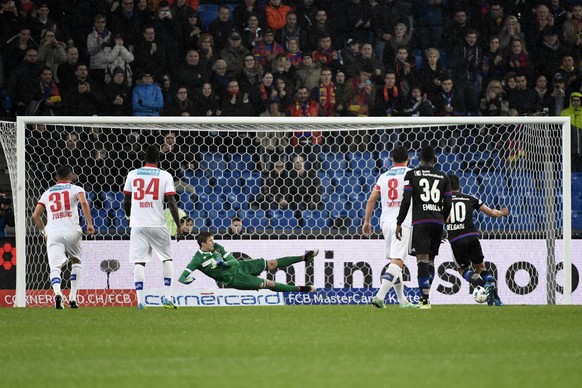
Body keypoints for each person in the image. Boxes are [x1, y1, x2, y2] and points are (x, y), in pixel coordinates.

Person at [123, 145, 182, 310]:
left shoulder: (132, 174)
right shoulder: (165, 175)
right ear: (159, 159)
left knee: (139, 262)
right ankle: (167, 298)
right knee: (167, 259)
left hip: (138, 225)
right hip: (157, 224)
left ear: (144, 159)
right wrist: (178, 225)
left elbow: (127, 200)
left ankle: (140, 301)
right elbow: (171, 201)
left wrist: (129, 216)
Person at [396, 145, 452, 309]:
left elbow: (406, 200)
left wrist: (399, 222)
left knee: (421, 259)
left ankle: (425, 300)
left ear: (419, 159)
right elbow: (448, 202)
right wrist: (443, 218)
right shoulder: (443, 176)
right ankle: (425, 298)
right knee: (431, 260)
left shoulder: (411, 174)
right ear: (434, 159)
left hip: (420, 222)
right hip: (437, 222)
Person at [31, 165, 95, 309]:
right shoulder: (76, 189)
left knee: (55, 266)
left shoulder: (47, 193)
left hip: (53, 232)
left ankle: (58, 293)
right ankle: (73, 297)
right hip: (72, 230)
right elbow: (84, 202)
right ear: (70, 177)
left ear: (56, 178)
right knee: (76, 261)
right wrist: (90, 224)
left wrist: (44, 232)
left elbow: (35, 215)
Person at [362, 145, 417, 309]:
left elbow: (372, 198)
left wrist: (366, 221)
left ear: (392, 159)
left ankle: (403, 301)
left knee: (395, 261)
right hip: (403, 222)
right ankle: (379, 297)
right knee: (398, 262)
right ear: (408, 158)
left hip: (385, 222)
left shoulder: (384, 176)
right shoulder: (411, 174)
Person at [178, 231, 318, 293]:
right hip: (235, 279)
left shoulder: (218, 247)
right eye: (210, 241)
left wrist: (224, 263)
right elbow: (182, 276)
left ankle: (305, 257)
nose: (212, 242)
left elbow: (234, 262)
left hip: (242, 266)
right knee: (269, 283)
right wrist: (186, 280)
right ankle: (301, 289)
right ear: (203, 244)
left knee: (272, 263)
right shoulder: (197, 260)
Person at [446, 173, 508, 306]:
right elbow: (491, 213)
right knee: (480, 267)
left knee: (462, 270)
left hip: (456, 239)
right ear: (459, 185)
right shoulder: (470, 198)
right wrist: (502, 213)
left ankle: (483, 285)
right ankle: (496, 299)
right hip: (472, 236)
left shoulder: (443, 201)